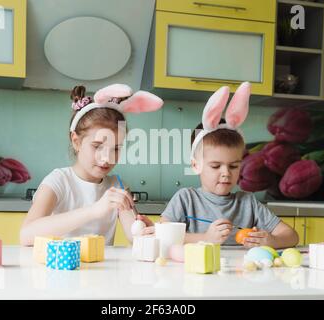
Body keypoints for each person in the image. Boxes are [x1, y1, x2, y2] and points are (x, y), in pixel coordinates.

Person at [155, 82, 299, 249]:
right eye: (215, 166)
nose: (226, 173)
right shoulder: (186, 199)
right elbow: (162, 235)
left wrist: (272, 241)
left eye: (233, 166)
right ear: (196, 165)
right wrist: (206, 238)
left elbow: (291, 236)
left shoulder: (247, 203)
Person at [20, 84, 163, 246]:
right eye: (97, 146)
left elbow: (134, 235)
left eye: (116, 148)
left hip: (101, 270)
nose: (106, 158)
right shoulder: (58, 181)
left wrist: (145, 232)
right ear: (76, 141)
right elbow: (26, 235)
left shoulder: (118, 186)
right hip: (62, 269)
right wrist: (94, 210)